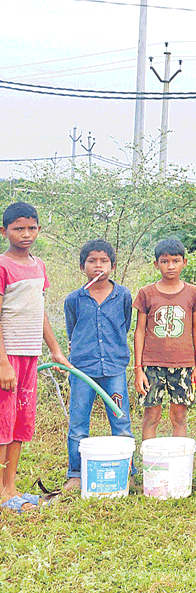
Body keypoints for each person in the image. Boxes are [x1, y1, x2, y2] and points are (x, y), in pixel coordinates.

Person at [0, 202, 68, 510]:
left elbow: (39, 313)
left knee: (19, 424)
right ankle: (3, 493)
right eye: (18, 229)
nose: (26, 234)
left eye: (32, 228)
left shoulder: (39, 266)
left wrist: (55, 349)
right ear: (4, 232)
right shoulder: (3, 266)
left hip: (30, 356)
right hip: (7, 356)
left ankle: (10, 487)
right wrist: (2, 362)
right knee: (2, 425)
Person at [63, 239, 133, 494]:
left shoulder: (123, 295)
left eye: (104, 261)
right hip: (82, 369)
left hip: (114, 367)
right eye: (92, 261)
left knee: (120, 420)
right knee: (78, 422)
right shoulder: (74, 299)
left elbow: (124, 325)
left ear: (113, 265)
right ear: (83, 266)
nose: (98, 266)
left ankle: (127, 470)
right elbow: (73, 332)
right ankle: (76, 473)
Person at [133, 239, 196, 441]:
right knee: (151, 415)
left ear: (184, 262)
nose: (170, 266)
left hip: (183, 364)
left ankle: (178, 464)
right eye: (164, 261)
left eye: (176, 260)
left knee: (179, 415)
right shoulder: (146, 293)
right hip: (152, 365)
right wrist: (138, 368)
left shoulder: (193, 293)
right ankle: (150, 465)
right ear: (156, 264)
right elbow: (139, 331)